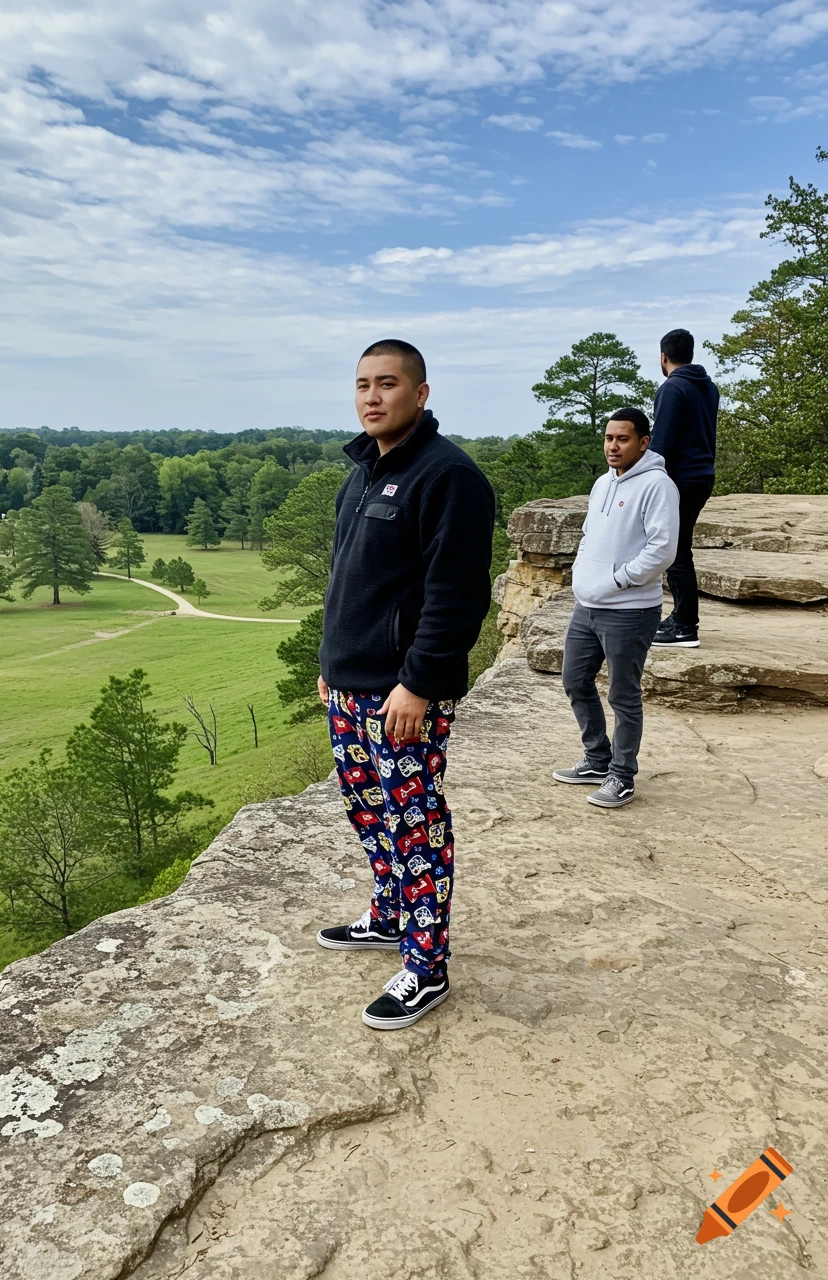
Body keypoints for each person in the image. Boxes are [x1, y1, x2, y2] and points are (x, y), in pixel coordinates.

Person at [316, 339, 494, 1030]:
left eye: (386, 383)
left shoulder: (448, 477)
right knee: (369, 813)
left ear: (420, 393)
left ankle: (426, 968)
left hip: (403, 696)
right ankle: (389, 916)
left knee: (415, 826)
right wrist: (328, 665)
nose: (370, 396)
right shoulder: (361, 472)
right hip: (350, 687)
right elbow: (345, 580)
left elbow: (456, 596)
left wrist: (418, 685)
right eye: (362, 384)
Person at [553, 408, 679, 809]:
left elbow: (663, 549)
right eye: (609, 438)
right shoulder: (602, 483)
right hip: (587, 606)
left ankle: (622, 776)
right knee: (575, 680)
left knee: (624, 696)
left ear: (643, 442)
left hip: (629, 609)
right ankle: (596, 759)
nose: (613, 446)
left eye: (623, 439)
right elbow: (591, 534)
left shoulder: (658, 486)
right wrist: (583, 575)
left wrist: (619, 579)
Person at [648, 328, 719, 649]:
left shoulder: (672, 389)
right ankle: (681, 618)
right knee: (679, 548)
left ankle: (684, 624)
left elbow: (661, 443)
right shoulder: (708, 388)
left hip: (680, 479)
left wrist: (640, 478)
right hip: (702, 475)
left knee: (676, 551)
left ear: (663, 357)